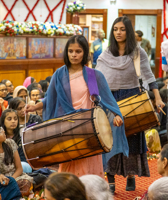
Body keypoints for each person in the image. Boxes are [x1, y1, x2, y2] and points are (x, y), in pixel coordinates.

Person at [25, 35, 128, 178]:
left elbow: (108, 99)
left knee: (89, 167)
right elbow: (50, 99)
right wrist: (34, 107)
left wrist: (116, 115)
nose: (74, 55)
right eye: (71, 51)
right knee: (68, 167)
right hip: (67, 128)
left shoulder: (93, 75)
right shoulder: (59, 74)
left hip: (90, 129)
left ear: (85, 52)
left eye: (78, 51)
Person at [96, 16, 164, 193]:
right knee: (108, 139)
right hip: (109, 100)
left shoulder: (137, 52)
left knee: (131, 138)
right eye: (115, 29)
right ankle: (110, 180)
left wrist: (157, 97)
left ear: (128, 31)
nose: (118, 32)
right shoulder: (105, 54)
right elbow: (97, 79)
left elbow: (149, 76)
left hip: (132, 98)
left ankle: (131, 175)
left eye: (122, 29)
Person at [0, 122, 33, 197]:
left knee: (25, 183)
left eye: (1, 128)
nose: (3, 131)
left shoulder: (10, 143)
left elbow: (19, 169)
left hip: (16, 177)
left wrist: (11, 181)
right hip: (1, 181)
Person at [0, 109, 33, 173]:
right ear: (3, 121)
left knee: (23, 166)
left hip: (23, 164)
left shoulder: (22, 134)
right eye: (9, 119)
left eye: (15, 119)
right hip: (5, 165)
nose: (13, 121)